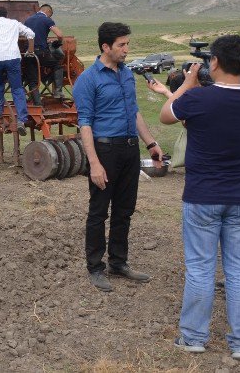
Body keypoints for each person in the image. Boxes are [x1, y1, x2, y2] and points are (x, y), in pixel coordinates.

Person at [154, 35, 240, 361]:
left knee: (201, 269)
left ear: (213, 62)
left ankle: (192, 337)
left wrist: (188, 82)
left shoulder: (198, 100)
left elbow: (165, 114)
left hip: (203, 196)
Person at [72, 22, 164, 293]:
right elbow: (85, 123)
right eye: (121, 45)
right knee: (99, 211)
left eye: (127, 44)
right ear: (105, 47)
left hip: (129, 148)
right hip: (105, 150)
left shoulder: (126, 75)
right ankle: (95, 267)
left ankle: (118, 262)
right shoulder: (88, 80)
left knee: (125, 209)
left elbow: (134, 113)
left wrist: (150, 143)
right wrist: (95, 164)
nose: (127, 50)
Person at [0, 6, 36, 135]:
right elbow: (31, 34)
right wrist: (30, 50)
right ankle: (21, 119)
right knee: (17, 88)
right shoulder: (14, 23)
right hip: (13, 58)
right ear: (6, 14)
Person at [23, 3, 66, 101]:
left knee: (32, 79)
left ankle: (37, 104)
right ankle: (58, 92)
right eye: (50, 15)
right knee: (57, 66)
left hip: (28, 53)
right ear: (48, 11)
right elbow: (59, 34)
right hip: (40, 53)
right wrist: (58, 42)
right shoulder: (46, 19)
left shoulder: (28, 20)